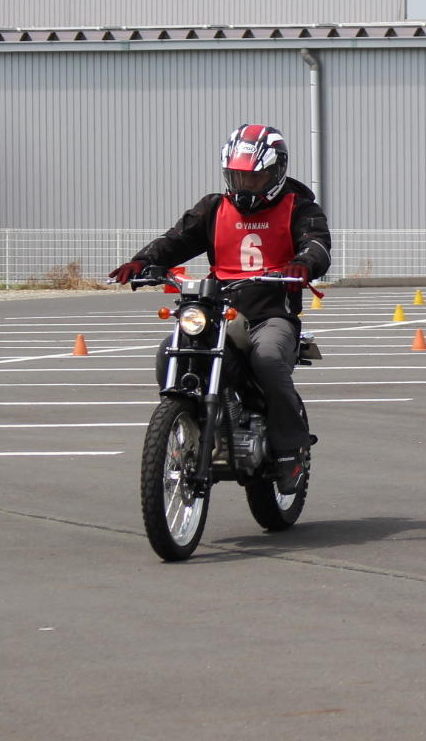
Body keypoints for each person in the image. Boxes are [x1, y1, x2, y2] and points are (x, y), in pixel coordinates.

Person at [110, 125, 331, 490]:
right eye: (237, 178)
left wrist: (304, 264)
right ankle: (189, 423)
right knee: (170, 350)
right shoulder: (213, 207)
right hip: (217, 309)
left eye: (255, 178)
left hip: (271, 312)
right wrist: (143, 261)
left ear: (276, 173)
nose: (244, 186)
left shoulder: (300, 206)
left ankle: (291, 450)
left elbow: (317, 243)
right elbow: (175, 240)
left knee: (269, 359)